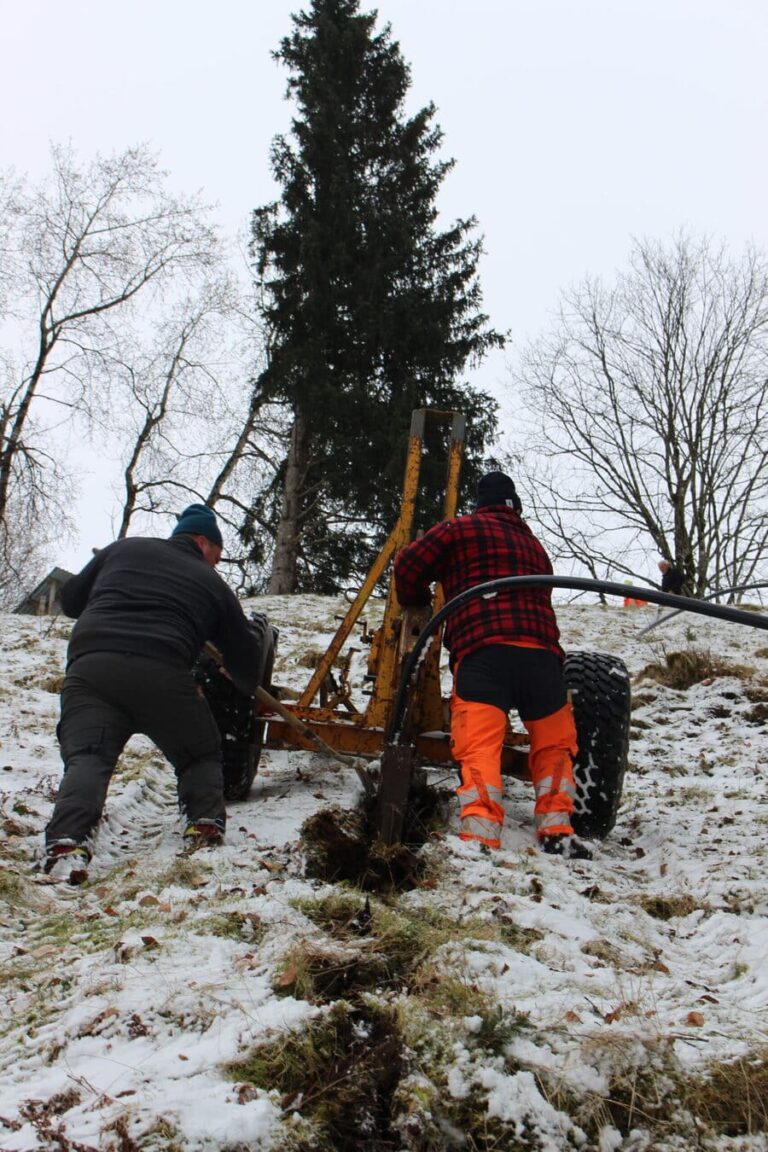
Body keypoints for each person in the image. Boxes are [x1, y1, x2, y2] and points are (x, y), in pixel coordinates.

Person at [44, 504, 267, 884]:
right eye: (217, 552)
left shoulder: (123, 550)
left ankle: (67, 843)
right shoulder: (211, 583)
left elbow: (72, 600)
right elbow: (246, 656)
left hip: (91, 671)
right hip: (162, 673)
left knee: (88, 758)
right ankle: (204, 826)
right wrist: (241, 676)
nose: (217, 561)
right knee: (199, 752)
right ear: (201, 541)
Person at [394, 471, 590, 860]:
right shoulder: (534, 546)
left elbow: (407, 566)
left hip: (483, 652)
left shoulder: (458, 530)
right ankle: (556, 830)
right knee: (554, 744)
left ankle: (481, 833)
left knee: (480, 745)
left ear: (479, 505)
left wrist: (415, 598)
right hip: (541, 657)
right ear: (516, 508)